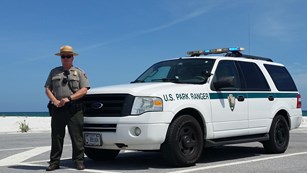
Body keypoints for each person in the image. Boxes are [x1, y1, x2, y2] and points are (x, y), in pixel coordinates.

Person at [45, 45, 90, 171]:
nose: (66, 58)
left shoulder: (79, 72)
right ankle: (54, 162)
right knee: (56, 137)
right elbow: (47, 88)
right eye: (63, 56)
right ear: (61, 58)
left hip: (74, 109)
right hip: (58, 108)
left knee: (77, 137)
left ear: (72, 58)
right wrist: (54, 101)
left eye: (68, 56)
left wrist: (69, 99)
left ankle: (79, 161)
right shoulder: (54, 72)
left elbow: (84, 90)